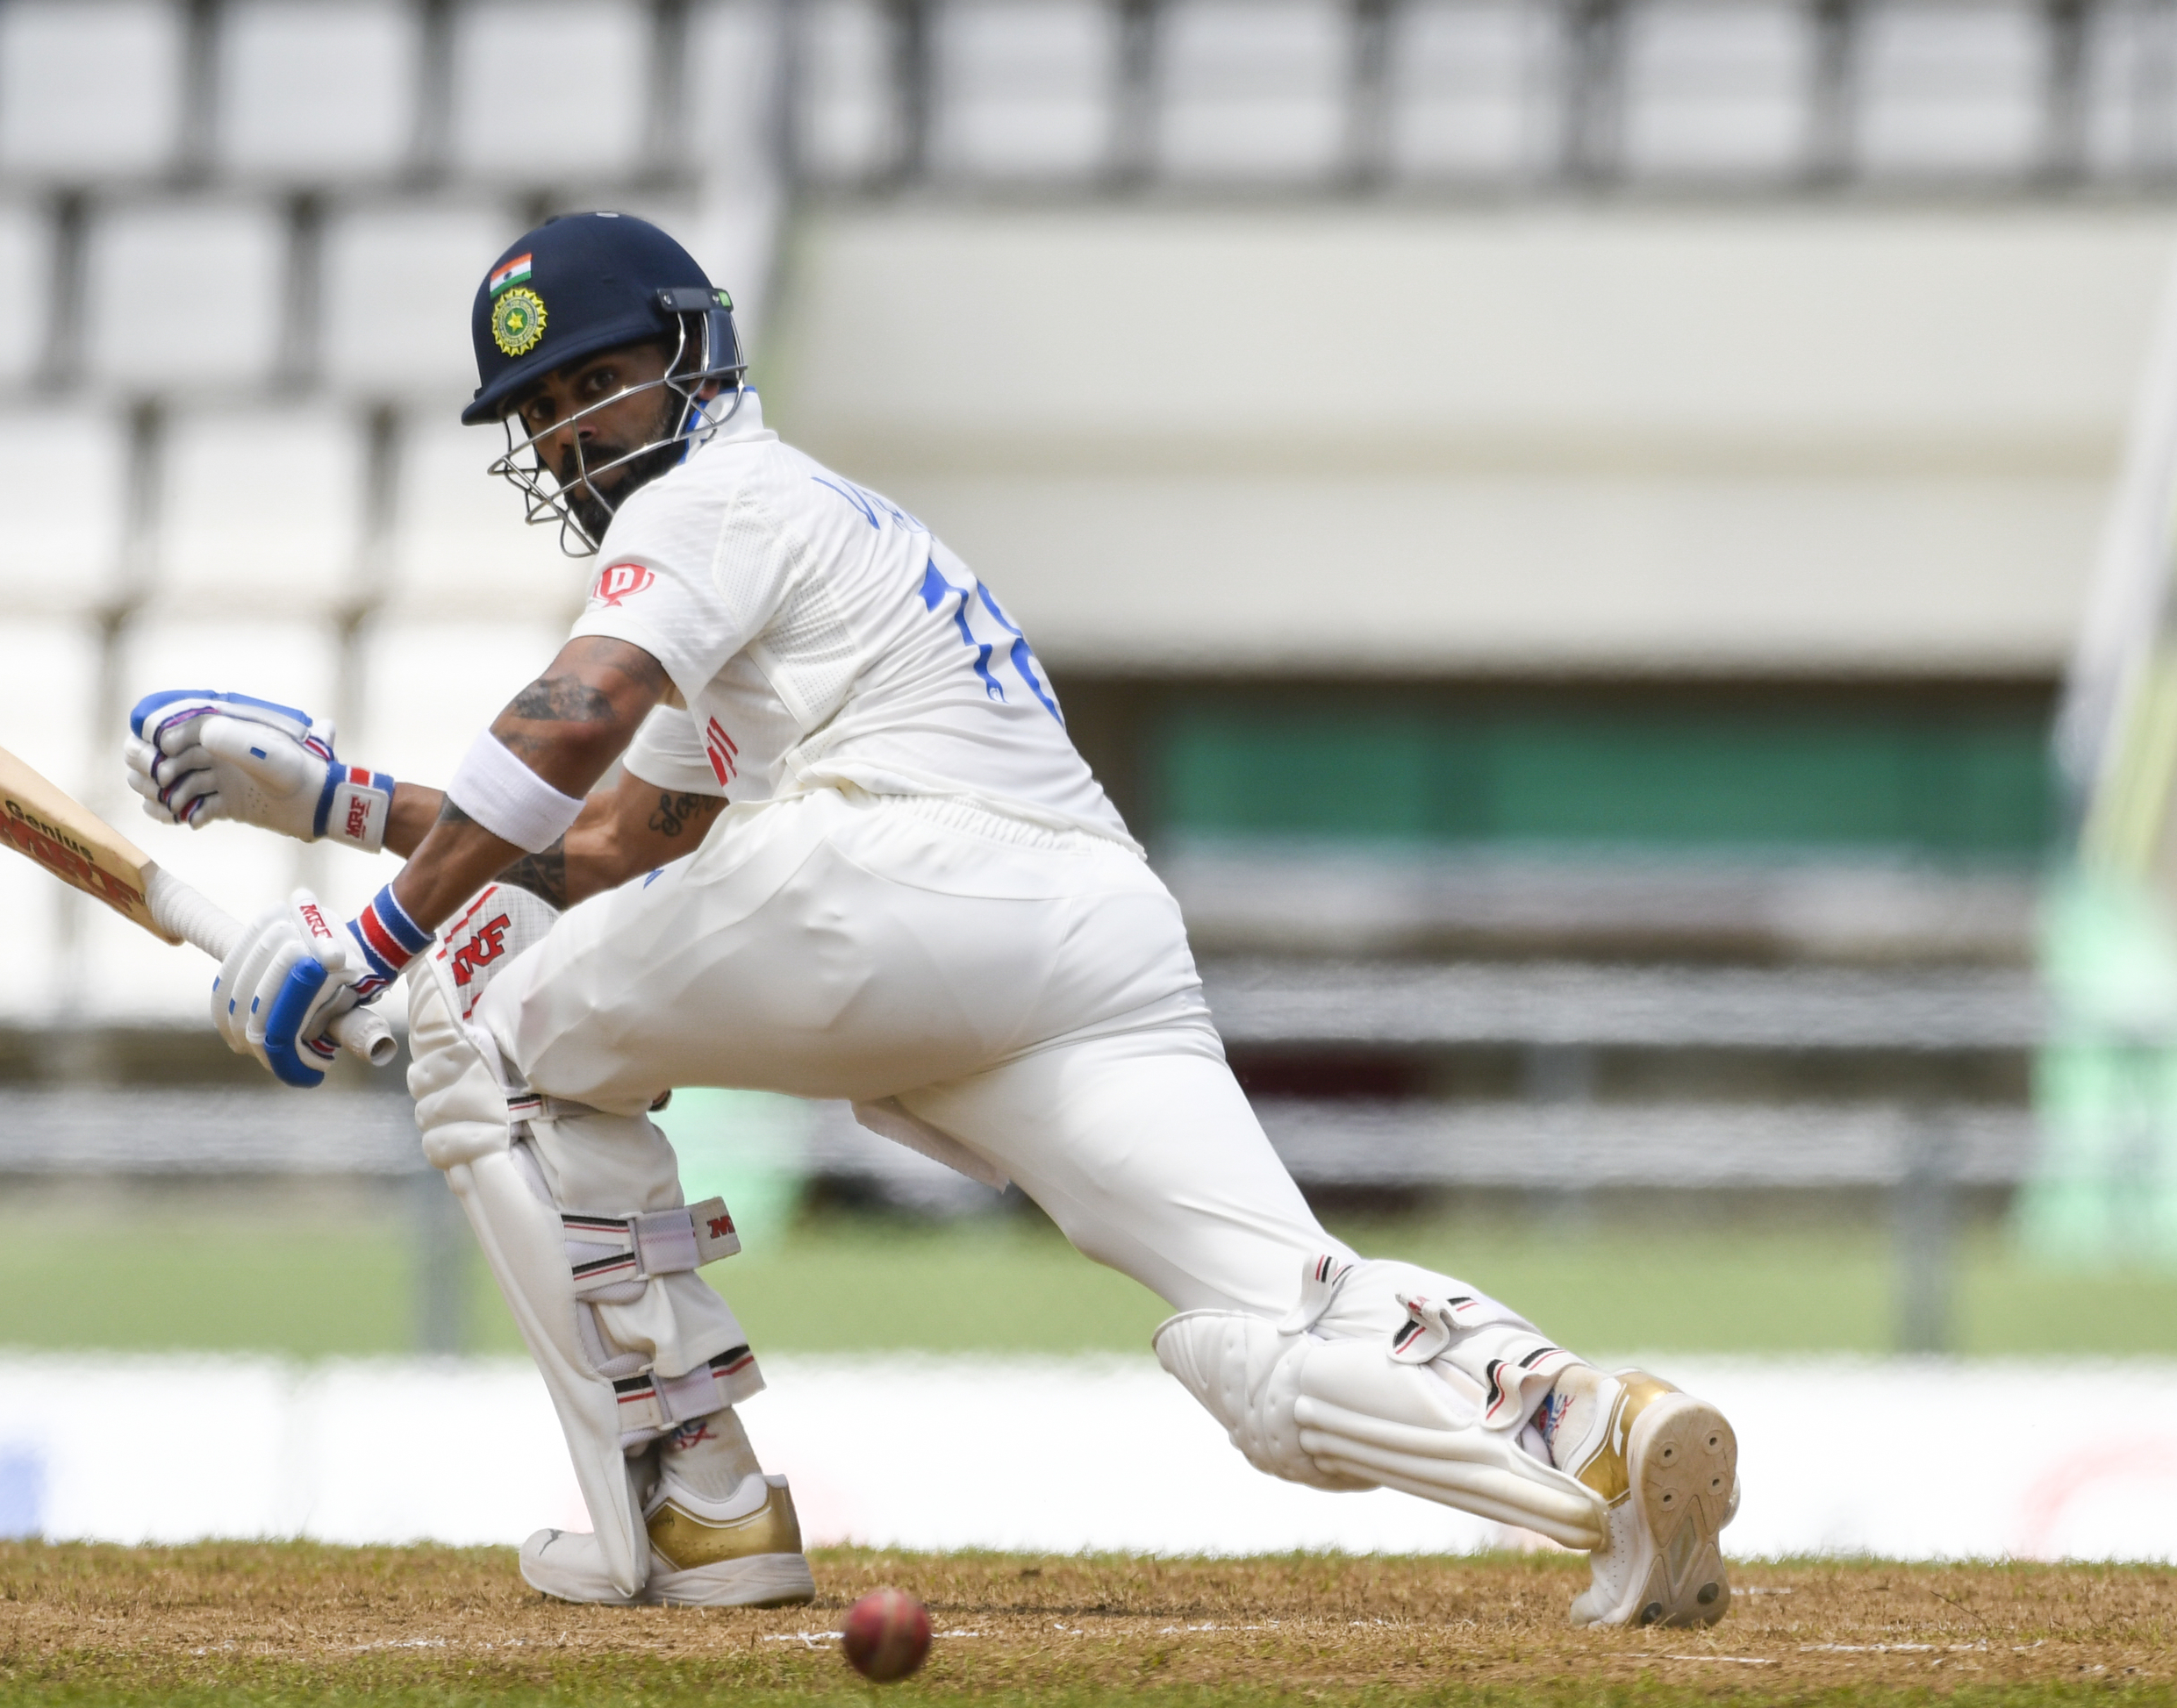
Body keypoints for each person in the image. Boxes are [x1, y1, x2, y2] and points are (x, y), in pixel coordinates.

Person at [124, 212, 1739, 1624]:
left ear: (696, 357)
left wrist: (375, 943)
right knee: (1272, 1315)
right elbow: (621, 840)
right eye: (538, 413)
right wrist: (341, 800)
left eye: (594, 383)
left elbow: (569, 726)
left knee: (481, 1018)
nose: (569, 436)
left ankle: (696, 1508)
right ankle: (1594, 1443)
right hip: (1084, 934)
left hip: (905, 881)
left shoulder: (712, 504)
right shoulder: (802, 528)